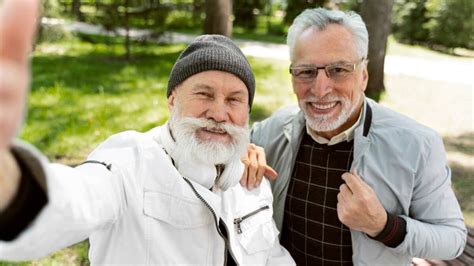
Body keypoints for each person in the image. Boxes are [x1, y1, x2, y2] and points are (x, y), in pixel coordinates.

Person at [0, 0, 294, 264]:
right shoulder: (130, 162)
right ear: (172, 101)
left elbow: (271, 256)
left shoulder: (251, 178)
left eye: (234, 100)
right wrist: (9, 183)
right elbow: (73, 202)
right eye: (204, 94)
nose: (218, 113)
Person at [249, 7, 467, 265]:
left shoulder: (418, 145)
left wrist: (383, 226)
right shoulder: (269, 132)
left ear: (363, 75)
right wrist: (240, 152)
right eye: (306, 71)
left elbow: (452, 239)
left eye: (338, 69)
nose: (320, 89)